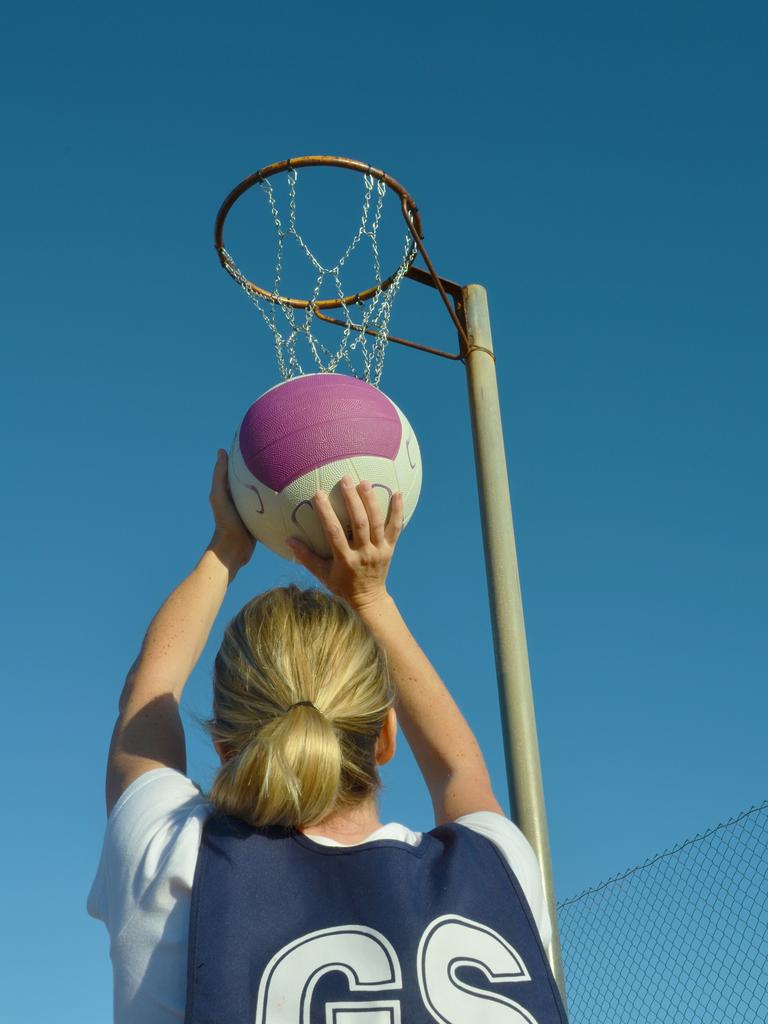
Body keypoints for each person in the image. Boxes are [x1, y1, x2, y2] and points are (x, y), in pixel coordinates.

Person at [88, 451, 567, 1023]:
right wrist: (370, 596)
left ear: (226, 751)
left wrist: (227, 548)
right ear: (385, 735)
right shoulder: (496, 872)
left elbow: (147, 692)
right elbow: (459, 769)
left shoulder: (174, 865)